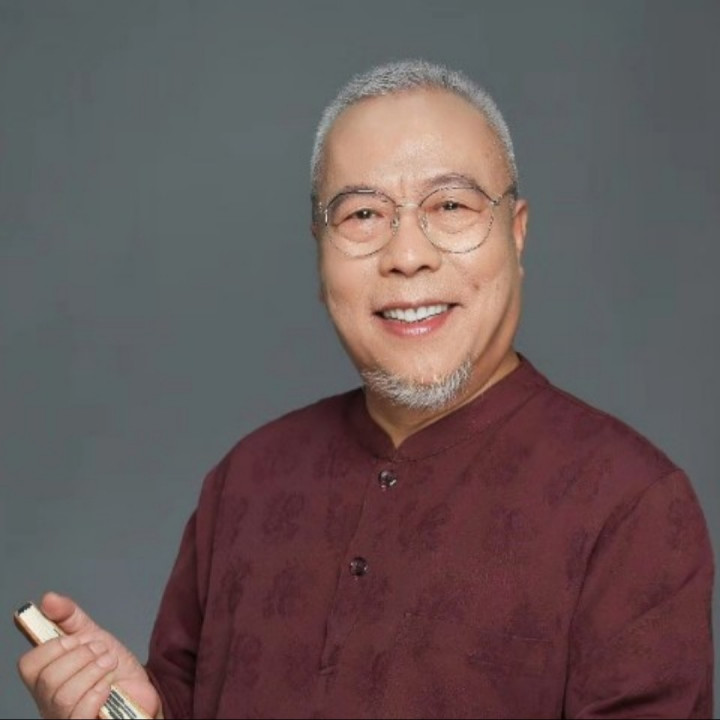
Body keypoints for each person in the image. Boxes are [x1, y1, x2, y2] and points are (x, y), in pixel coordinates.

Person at [17, 60, 714, 719]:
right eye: (362, 216)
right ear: (319, 251)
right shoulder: (248, 482)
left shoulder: (628, 505)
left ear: (517, 233)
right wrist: (135, 710)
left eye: (450, 204)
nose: (407, 256)